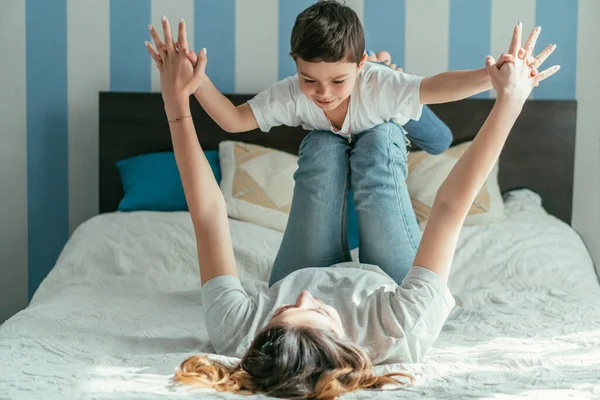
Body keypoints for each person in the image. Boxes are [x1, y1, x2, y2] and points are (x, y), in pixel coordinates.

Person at [145, 15, 558, 399]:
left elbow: (208, 213)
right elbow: (450, 206)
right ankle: (387, 121)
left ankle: (374, 95)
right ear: (345, 346)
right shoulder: (399, 327)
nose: (305, 295)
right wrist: (509, 100)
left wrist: (176, 101)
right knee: (378, 140)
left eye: (284, 310)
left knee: (323, 145)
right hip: (388, 282)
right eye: (319, 314)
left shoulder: (240, 332)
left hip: (369, 103)